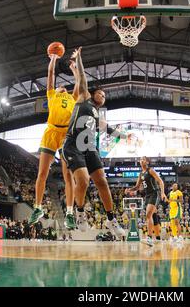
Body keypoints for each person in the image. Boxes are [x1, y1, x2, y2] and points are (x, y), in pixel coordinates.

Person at [61, 47, 128, 238]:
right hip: (73, 144)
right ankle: (80, 213)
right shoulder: (84, 98)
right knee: (83, 180)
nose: (103, 96)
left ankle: (110, 219)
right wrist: (79, 60)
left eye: (105, 96)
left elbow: (108, 128)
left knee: (102, 182)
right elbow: (81, 78)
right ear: (94, 93)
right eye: (101, 94)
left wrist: (125, 137)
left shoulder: (97, 113)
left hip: (90, 148)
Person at [29, 49, 79, 230]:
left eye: (64, 87)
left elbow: (79, 83)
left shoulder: (73, 97)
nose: (62, 86)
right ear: (56, 89)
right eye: (59, 86)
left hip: (66, 135)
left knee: (68, 175)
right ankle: (38, 208)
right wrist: (53, 59)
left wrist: (74, 68)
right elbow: (50, 74)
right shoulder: (52, 95)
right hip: (50, 133)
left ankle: (70, 213)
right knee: (42, 173)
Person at [125, 156, 167, 246]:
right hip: (147, 195)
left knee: (148, 214)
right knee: (153, 215)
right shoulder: (141, 174)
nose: (141, 161)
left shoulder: (150, 170)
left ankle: (149, 238)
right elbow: (137, 187)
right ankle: (158, 237)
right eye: (140, 159)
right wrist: (129, 190)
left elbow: (160, 181)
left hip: (154, 193)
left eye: (143, 159)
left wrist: (163, 193)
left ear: (147, 162)